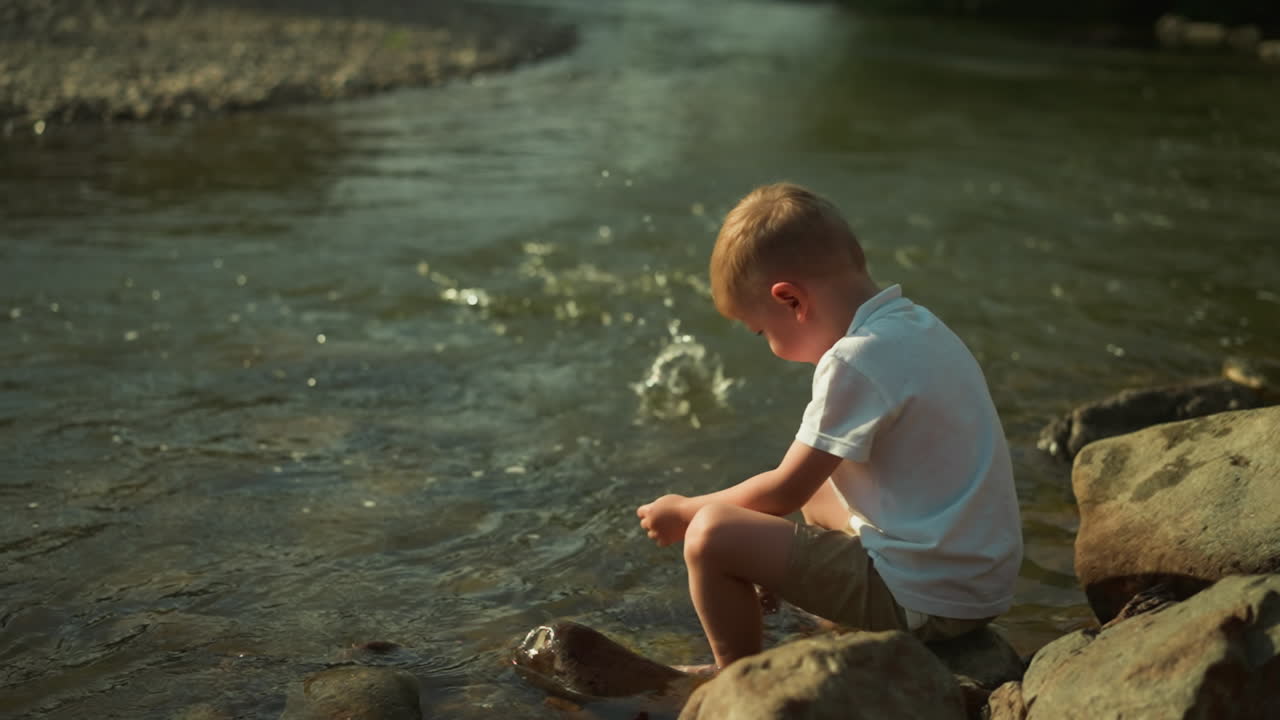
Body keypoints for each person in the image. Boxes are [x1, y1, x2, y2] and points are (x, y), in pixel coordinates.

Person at [636, 182, 1023, 672]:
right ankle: (834, 619)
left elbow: (780, 492)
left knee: (712, 535)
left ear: (791, 300)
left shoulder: (853, 361)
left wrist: (685, 511)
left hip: (926, 599)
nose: (769, 347)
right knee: (821, 491)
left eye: (763, 332)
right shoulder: (918, 325)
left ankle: (736, 678)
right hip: (977, 585)